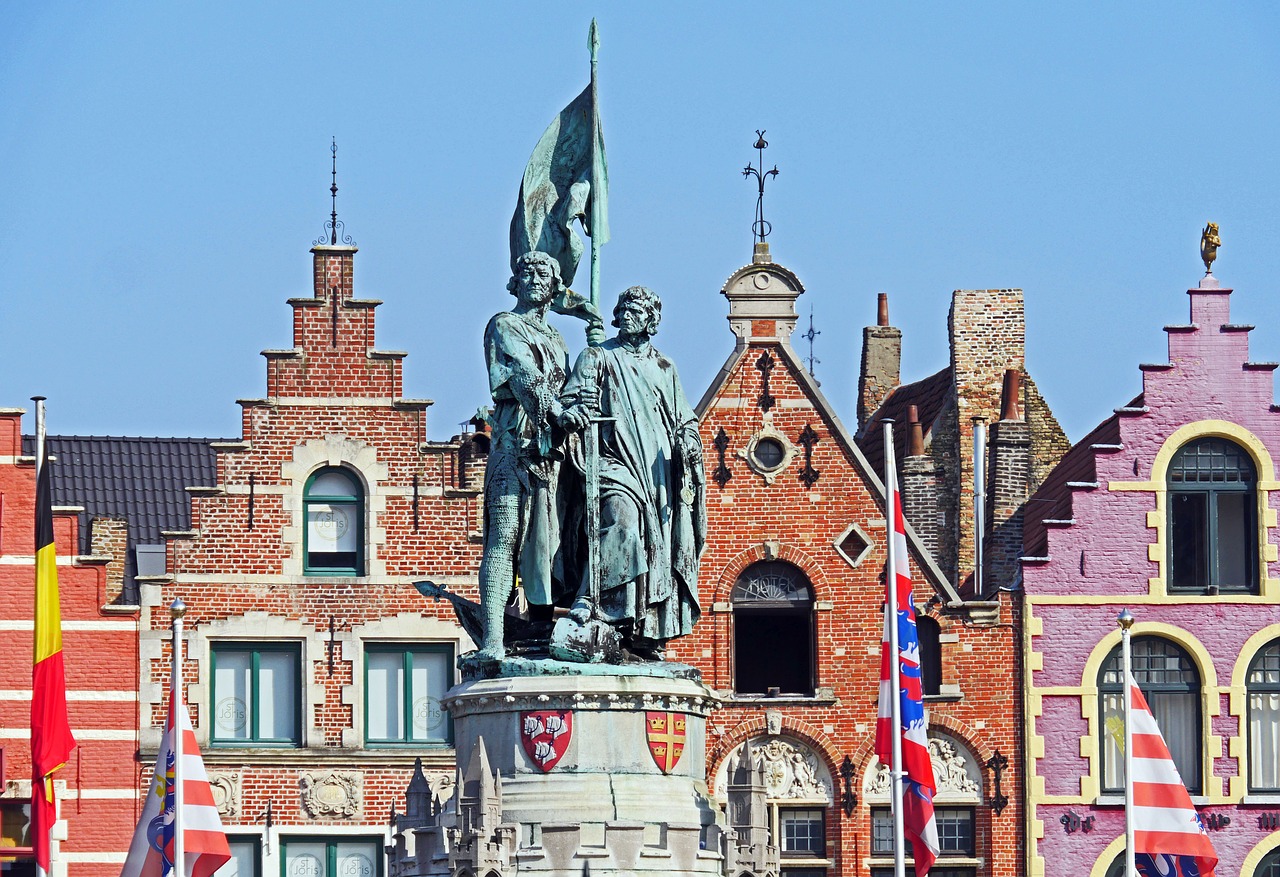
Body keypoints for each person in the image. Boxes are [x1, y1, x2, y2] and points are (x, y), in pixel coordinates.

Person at [560, 286, 706, 659]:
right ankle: (594, 601)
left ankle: (642, 629)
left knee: (657, 545)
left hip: (655, 470)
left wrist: (689, 441)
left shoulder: (664, 367)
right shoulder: (596, 357)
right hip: (612, 459)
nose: (628, 313)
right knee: (621, 521)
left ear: (651, 320)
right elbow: (569, 405)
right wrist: (581, 404)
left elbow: (684, 418)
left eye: (637, 309)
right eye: (623, 307)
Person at [479, 251, 601, 660]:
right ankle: (494, 640)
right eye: (525, 271)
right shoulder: (503, 324)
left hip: (551, 456)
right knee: (505, 537)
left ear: (554, 286)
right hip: (513, 448)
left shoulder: (557, 339)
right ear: (515, 282)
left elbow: (566, 389)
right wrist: (562, 413)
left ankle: (543, 624)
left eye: (542, 272)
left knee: (547, 547)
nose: (532, 277)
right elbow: (524, 377)